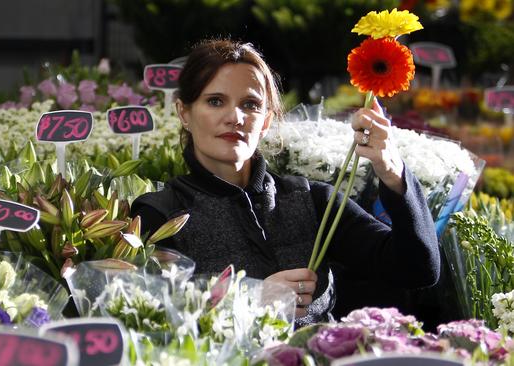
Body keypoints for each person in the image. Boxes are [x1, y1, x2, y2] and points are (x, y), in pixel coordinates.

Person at [131, 39, 439, 325]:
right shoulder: (160, 215)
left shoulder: (311, 199)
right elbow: (150, 321)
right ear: (184, 112)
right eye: (215, 101)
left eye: (250, 105)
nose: (235, 117)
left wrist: (392, 170)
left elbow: (417, 268)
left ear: (265, 121)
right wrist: (248, 299)